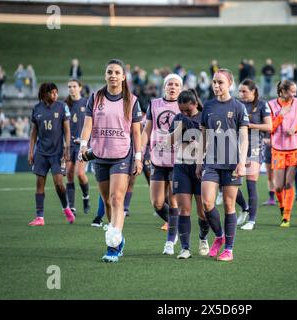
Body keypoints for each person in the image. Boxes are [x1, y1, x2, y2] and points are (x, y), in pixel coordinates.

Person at [79, 59, 143, 262]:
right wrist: (83, 144)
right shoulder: (95, 98)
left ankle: (112, 247)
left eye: (117, 72)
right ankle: (118, 237)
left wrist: (138, 157)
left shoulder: (131, 100)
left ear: (124, 76)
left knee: (117, 199)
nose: (113, 75)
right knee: (107, 201)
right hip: (99, 155)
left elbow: (136, 132)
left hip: (122, 156)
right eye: (109, 72)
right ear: (105, 75)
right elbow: (88, 125)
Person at [196, 68, 249, 262]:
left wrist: (242, 162)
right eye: (214, 82)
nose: (216, 85)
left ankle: (229, 250)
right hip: (211, 161)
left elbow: (244, 137)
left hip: (232, 163)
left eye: (221, 82)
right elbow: (203, 135)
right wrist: (199, 160)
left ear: (230, 84)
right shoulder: (208, 106)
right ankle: (219, 236)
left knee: (228, 205)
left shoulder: (238, 107)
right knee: (207, 203)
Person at [141, 73, 182, 255]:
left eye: (176, 85)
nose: (173, 87)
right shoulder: (154, 104)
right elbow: (147, 130)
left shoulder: (184, 105)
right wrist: (139, 153)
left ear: (181, 88)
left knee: (173, 201)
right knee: (157, 202)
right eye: (169, 84)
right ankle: (177, 225)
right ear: (164, 87)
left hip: (178, 161)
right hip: (158, 160)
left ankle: (170, 242)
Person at [168, 89, 210, 259]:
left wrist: (197, 139)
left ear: (195, 104)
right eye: (181, 110)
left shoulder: (204, 117)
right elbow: (171, 140)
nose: (184, 113)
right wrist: (180, 125)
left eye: (188, 110)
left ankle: (203, 238)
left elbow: (208, 142)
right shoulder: (178, 118)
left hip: (201, 167)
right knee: (184, 209)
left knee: (203, 211)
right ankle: (185, 248)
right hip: (181, 166)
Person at [27, 83, 75, 226]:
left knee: (59, 183)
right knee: (39, 183)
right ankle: (40, 217)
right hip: (41, 152)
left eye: (56, 92)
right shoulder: (37, 109)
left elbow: (67, 129)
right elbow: (34, 132)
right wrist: (31, 151)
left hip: (57, 152)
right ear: (45, 93)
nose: (55, 95)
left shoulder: (62, 107)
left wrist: (67, 148)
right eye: (52, 92)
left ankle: (66, 208)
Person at [236, 79, 272, 230]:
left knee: (251, 183)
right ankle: (244, 207)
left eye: (244, 91)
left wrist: (249, 125)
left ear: (253, 91)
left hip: (255, 144)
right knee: (230, 183)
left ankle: (251, 220)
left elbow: (269, 126)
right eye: (240, 91)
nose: (241, 94)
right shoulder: (237, 104)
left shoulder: (262, 105)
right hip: (236, 145)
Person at [269, 80, 297, 227]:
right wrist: (280, 116)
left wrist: (296, 129)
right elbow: (270, 128)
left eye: (295, 91)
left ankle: (286, 217)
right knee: (278, 186)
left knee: (289, 183)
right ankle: (282, 207)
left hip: (294, 149)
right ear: (282, 91)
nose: (294, 94)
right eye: (291, 91)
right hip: (277, 150)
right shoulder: (271, 105)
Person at [65, 79, 90, 215]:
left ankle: (86, 197)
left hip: (83, 145)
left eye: (74, 86)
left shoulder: (86, 103)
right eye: (69, 87)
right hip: (69, 145)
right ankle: (72, 207)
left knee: (80, 174)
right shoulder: (65, 105)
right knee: (69, 173)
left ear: (80, 88)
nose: (72, 89)